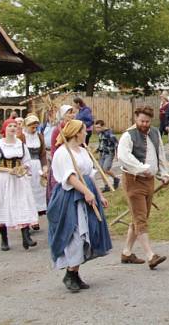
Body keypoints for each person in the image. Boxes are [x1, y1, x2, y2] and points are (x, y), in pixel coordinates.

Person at [47, 119, 112, 291]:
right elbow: (70, 177)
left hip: (86, 193)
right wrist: (86, 192)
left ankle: (74, 274)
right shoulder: (63, 152)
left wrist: (98, 195)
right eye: (84, 130)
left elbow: (90, 175)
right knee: (76, 235)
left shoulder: (82, 151)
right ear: (76, 133)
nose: (86, 133)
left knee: (88, 234)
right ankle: (70, 273)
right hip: (70, 197)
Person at [117, 106, 169, 269]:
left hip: (150, 181)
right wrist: (142, 168)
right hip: (133, 180)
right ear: (136, 119)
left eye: (147, 121)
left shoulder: (154, 133)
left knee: (140, 217)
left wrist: (164, 173)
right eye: (142, 121)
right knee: (140, 218)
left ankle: (126, 253)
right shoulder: (128, 135)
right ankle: (150, 255)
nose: (145, 124)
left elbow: (159, 154)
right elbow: (123, 157)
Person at [0, 119, 39, 251]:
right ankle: (4, 238)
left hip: (19, 179)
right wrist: (9, 170)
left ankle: (26, 237)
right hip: (3, 180)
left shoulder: (20, 144)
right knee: (3, 205)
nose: (13, 128)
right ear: (5, 129)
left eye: (15, 126)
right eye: (10, 126)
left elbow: (26, 160)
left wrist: (23, 168)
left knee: (22, 204)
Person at [19, 114, 48, 227]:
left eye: (36, 127)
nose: (34, 129)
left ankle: (35, 218)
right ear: (26, 126)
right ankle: (28, 219)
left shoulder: (40, 136)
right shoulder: (22, 137)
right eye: (32, 127)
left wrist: (45, 167)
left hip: (37, 167)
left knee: (38, 192)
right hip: (26, 167)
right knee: (27, 192)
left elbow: (43, 154)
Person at [46, 104, 76, 203]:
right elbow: (54, 149)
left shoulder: (75, 127)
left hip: (74, 159)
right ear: (63, 115)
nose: (72, 115)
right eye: (69, 113)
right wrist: (58, 162)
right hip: (62, 161)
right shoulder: (57, 130)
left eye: (73, 113)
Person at [94, 120, 120, 192]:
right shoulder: (100, 134)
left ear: (103, 126)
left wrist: (117, 154)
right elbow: (101, 143)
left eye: (98, 127)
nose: (97, 129)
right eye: (96, 128)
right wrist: (97, 150)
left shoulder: (109, 134)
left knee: (106, 169)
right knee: (101, 170)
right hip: (102, 154)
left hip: (109, 154)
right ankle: (106, 186)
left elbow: (116, 144)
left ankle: (115, 178)